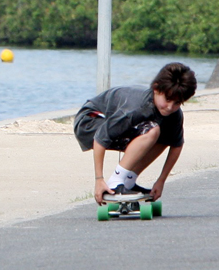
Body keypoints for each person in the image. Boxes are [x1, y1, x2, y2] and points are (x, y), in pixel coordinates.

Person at [73, 63, 197, 205]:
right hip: (90, 121)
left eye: (177, 103)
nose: (170, 107)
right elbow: (101, 138)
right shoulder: (136, 108)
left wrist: (161, 180)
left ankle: (128, 181)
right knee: (152, 130)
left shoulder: (174, 115)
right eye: (167, 100)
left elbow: (176, 145)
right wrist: (99, 180)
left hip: (116, 125)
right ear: (156, 89)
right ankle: (116, 182)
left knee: (163, 135)